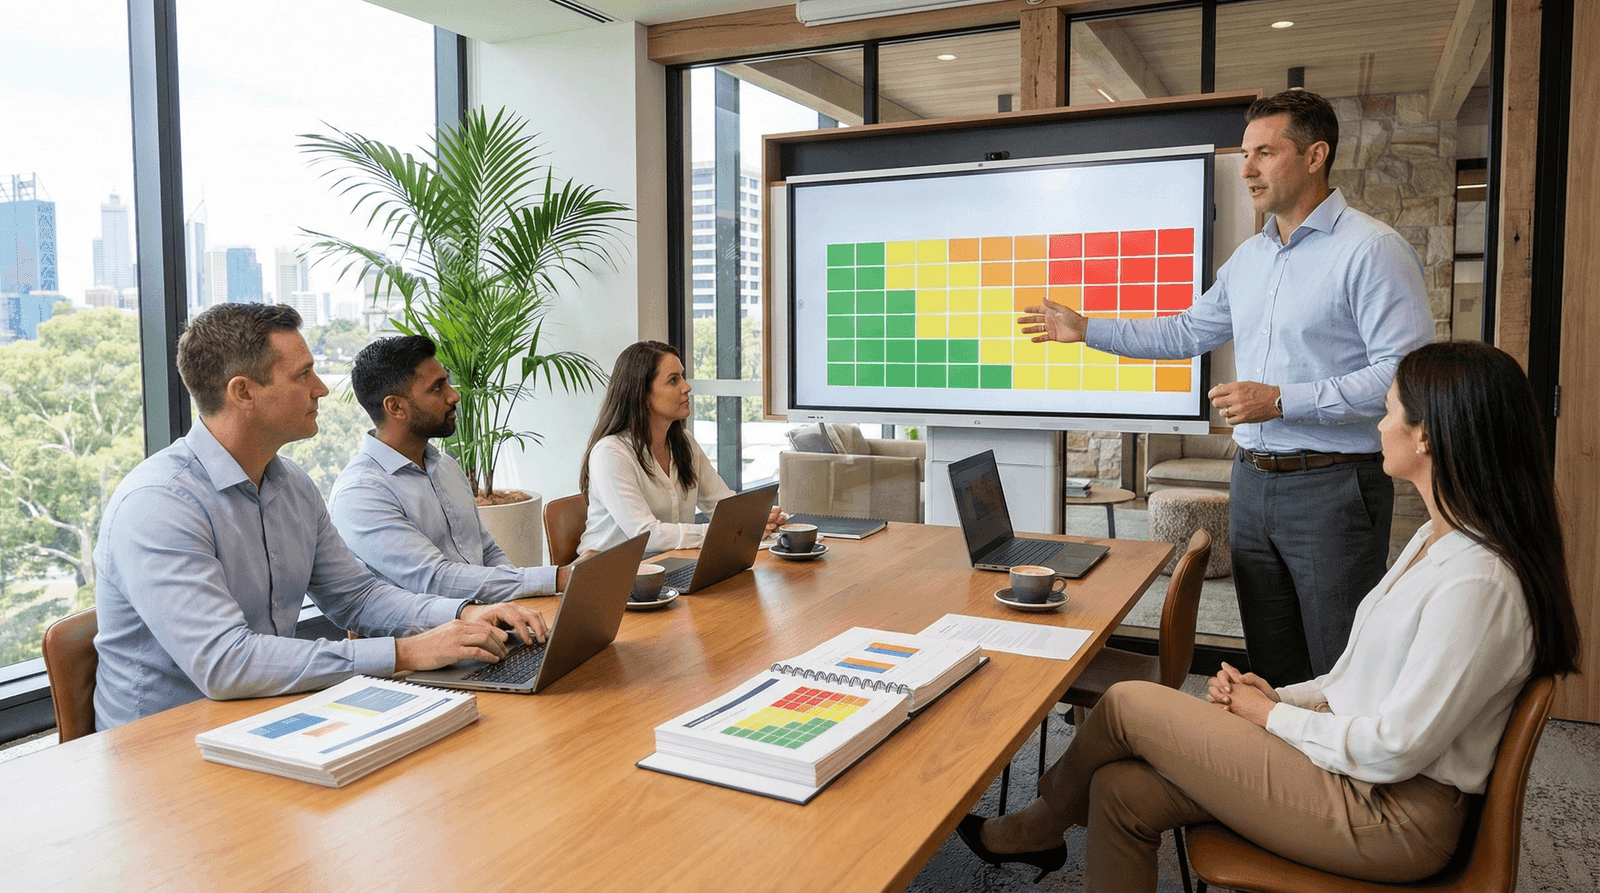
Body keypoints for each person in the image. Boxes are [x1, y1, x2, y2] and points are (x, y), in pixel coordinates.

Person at [956, 340, 1580, 891]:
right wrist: (1280, 697)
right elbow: (1355, 680)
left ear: (1427, 435)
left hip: (1390, 817)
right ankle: (1042, 826)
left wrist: (1270, 717)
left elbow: (1394, 750)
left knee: (1123, 702)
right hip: (1353, 775)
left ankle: (1036, 826)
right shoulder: (1436, 542)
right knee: (1120, 792)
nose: (1379, 423)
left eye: (1389, 409)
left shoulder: (1479, 582)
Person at [1018, 90, 1434, 684]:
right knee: (1270, 659)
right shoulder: (1250, 259)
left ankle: (1336, 780)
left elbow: (1406, 376)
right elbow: (1186, 331)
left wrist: (1283, 399)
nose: (1247, 169)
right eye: (1245, 154)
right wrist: (1085, 329)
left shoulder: (1371, 250)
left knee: (1338, 666)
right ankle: (1271, 775)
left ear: (1316, 156)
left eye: (1265, 153)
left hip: (1336, 487)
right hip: (1253, 483)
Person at [93, 304, 547, 730]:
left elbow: (359, 598)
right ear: (243, 392)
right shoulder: (158, 504)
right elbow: (225, 664)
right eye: (303, 374)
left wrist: (466, 614)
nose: (322, 389)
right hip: (164, 751)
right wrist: (407, 651)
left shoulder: (293, 486)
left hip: (271, 715)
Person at [329, 335, 571, 600]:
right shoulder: (361, 492)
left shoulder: (445, 467)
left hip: (490, 623)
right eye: (437, 388)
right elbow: (435, 579)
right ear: (396, 406)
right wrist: (554, 579)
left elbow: (486, 550)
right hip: (430, 637)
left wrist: (523, 604)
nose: (454, 396)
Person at [578, 340, 781, 553]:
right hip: (609, 576)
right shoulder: (611, 453)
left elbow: (722, 506)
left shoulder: (684, 443)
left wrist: (755, 518)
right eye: (673, 380)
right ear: (643, 395)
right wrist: (723, 531)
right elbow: (647, 535)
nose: (686, 387)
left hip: (667, 567)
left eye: (682, 376)